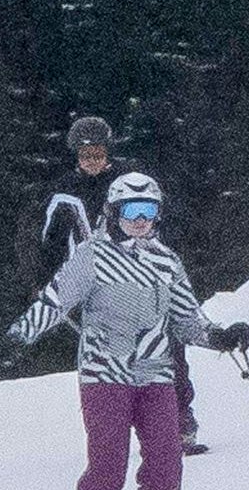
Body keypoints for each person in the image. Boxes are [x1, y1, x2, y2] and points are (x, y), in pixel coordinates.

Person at [9, 170, 241, 490]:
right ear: (113, 213)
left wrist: (220, 337)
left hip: (155, 374)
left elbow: (187, 319)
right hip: (105, 373)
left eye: (148, 211)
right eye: (131, 211)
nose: (140, 220)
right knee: (108, 464)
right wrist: (17, 337)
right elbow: (55, 299)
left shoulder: (165, 261)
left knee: (167, 461)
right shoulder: (93, 256)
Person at [40, 114, 205, 455]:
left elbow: (157, 221)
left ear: (108, 152)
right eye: (85, 155)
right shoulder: (63, 193)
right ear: (75, 155)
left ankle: (178, 420)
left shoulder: (130, 181)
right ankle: (118, 435)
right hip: (99, 288)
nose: (92, 161)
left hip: (144, 277)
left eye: (98, 153)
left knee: (168, 346)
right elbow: (48, 244)